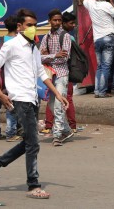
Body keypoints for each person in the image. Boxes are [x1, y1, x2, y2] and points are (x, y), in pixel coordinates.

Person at [0, 9, 70, 200]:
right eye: (29, 25)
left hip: (32, 98)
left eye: (34, 25)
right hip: (19, 98)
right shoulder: (11, 45)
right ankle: (33, 184)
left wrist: (58, 94)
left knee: (30, 141)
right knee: (33, 143)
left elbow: (41, 73)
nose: (32, 28)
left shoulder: (33, 48)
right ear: (19, 26)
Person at [76, 0, 114, 98]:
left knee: (100, 66)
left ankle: (97, 91)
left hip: (97, 39)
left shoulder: (90, 3)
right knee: (106, 66)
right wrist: (112, 2)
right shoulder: (107, 5)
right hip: (109, 38)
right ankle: (102, 92)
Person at [39, 9, 73, 145]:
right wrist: (54, 55)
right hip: (49, 75)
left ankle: (57, 135)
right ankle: (67, 129)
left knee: (58, 104)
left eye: (59, 20)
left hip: (61, 74)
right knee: (52, 105)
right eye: (55, 20)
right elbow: (38, 57)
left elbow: (64, 58)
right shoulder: (46, 37)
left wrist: (47, 56)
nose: (57, 23)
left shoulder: (65, 36)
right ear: (49, 21)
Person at [0, 16, 19, 141]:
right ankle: (10, 133)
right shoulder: (18, 41)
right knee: (10, 104)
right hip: (11, 76)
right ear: (18, 26)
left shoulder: (1, 40)